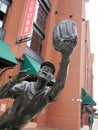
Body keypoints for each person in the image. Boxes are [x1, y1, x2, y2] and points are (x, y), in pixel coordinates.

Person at [0, 20, 78, 130]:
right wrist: (14, 80)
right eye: (44, 69)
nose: (46, 71)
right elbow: (1, 94)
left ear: (51, 79)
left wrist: (66, 57)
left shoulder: (47, 95)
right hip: (6, 118)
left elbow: (59, 86)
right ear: (38, 73)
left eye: (49, 72)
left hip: (19, 125)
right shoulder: (25, 86)